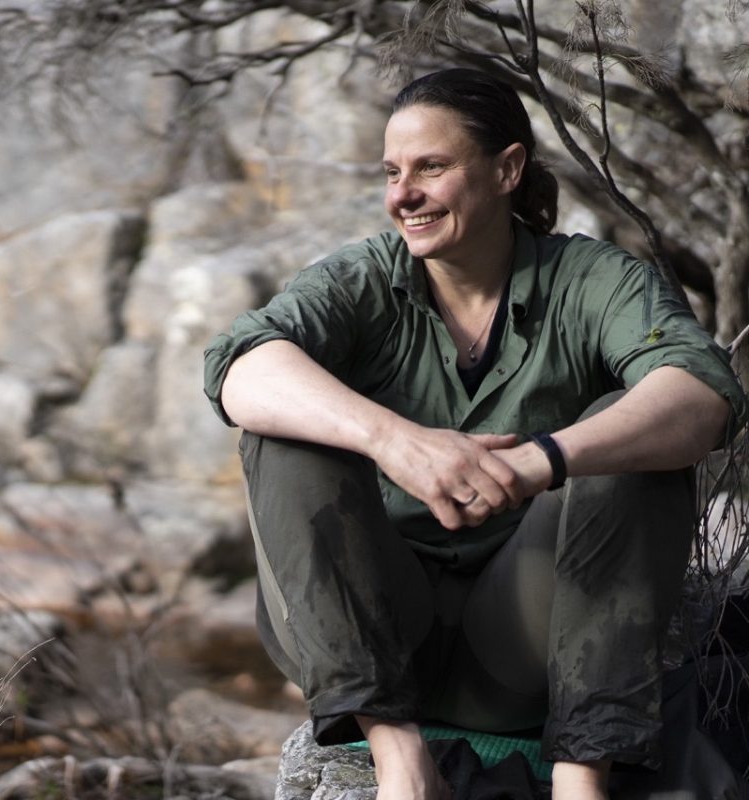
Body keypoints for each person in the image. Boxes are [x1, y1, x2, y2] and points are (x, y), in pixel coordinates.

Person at [202, 68, 749, 800]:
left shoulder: (590, 280)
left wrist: (540, 461)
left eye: (432, 167)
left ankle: (581, 777)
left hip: (522, 644)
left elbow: (701, 393)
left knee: (626, 443)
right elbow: (238, 367)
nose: (404, 194)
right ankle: (401, 764)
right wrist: (394, 440)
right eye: (392, 172)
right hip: (375, 638)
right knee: (284, 431)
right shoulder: (365, 280)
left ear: (507, 170)